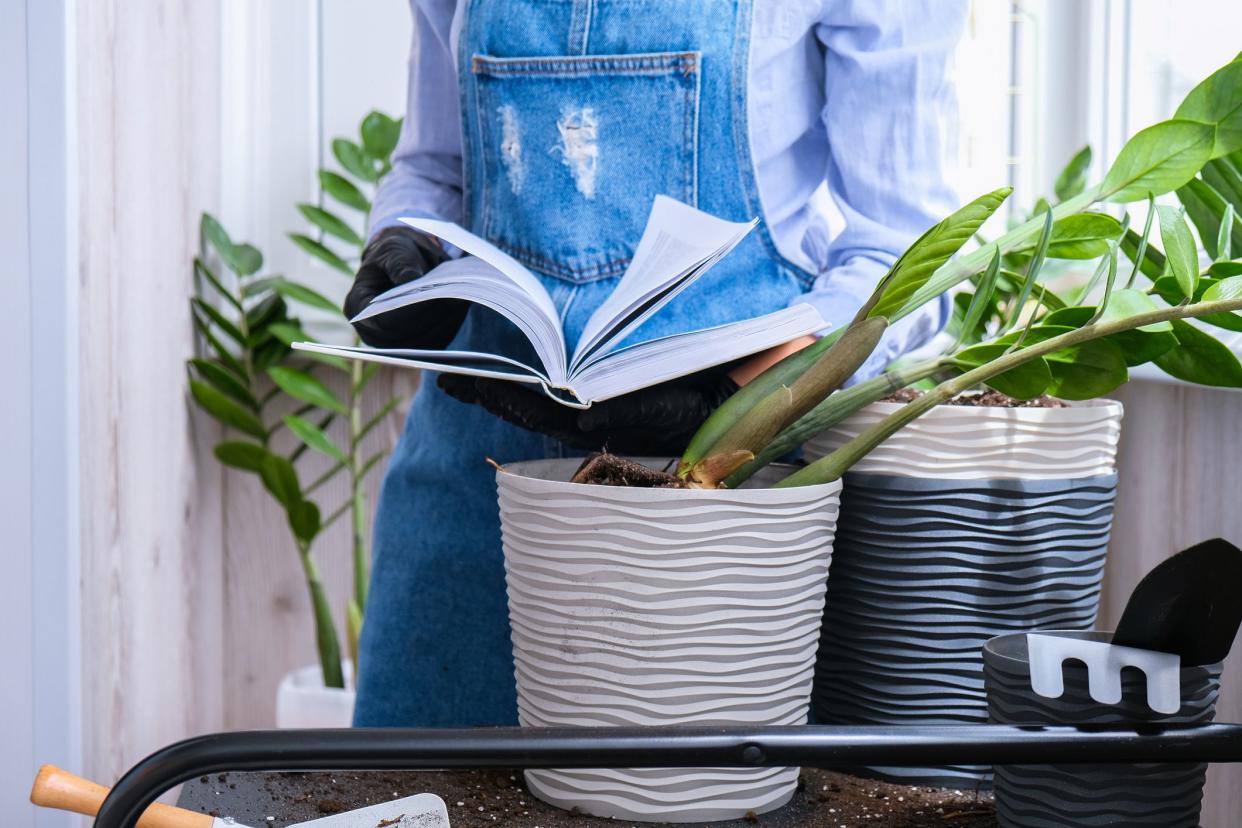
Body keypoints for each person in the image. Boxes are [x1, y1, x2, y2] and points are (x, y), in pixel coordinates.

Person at [348, 0, 966, 727]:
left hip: (722, 486)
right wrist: (405, 241)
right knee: (415, 791)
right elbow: (435, 166)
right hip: (473, 470)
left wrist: (741, 394)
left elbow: (907, 248)